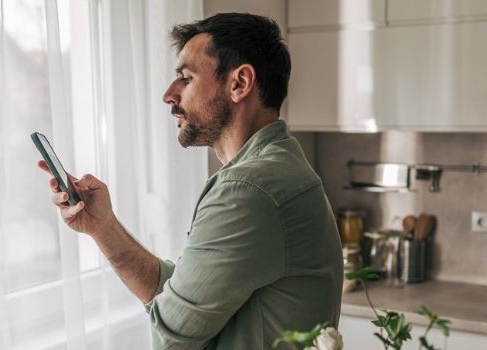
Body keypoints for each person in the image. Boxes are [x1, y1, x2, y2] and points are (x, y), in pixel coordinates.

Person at [38, 13, 343, 349]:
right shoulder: (281, 166)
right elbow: (186, 297)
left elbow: (172, 335)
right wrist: (103, 227)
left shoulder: (249, 190)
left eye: (186, 78)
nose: (169, 94)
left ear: (239, 83)